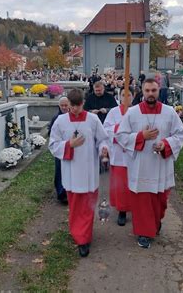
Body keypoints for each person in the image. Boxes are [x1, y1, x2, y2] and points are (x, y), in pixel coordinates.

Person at [116, 79, 183, 249]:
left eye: (153, 90)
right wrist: (141, 136)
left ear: (158, 90)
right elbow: (121, 135)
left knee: (159, 201)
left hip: (161, 165)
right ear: (142, 91)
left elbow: (180, 134)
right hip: (140, 165)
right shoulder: (132, 113)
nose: (150, 94)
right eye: (147, 90)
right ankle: (144, 233)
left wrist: (165, 144)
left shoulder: (169, 112)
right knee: (142, 201)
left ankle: (155, 222)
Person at [49, 89, 109, 257]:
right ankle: (79, 236)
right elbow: (53, 144)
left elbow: (103, 139)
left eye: (77, 106)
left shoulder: (93, 120)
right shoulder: (61, 121)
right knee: (76, 207)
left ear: (83, 103)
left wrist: (104, 149)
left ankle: (85, 237)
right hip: (71, 171)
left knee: (88, 206)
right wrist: (69, 145)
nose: (73, 109)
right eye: (71, 106)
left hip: (89, 171)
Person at [104, 88, 133, 226]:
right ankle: (122, 211)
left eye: (128, 95)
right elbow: (106, 129)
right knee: (121, 184)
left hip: (133, 153)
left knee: (134, 183)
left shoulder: (137, 111)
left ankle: (135, 208)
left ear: (133, 97)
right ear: (119, 96)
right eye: (123, 95)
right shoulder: (113, 112)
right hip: (119, 154)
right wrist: (118, 128)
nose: (126, 97)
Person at [48, 97, 70, 204]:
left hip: (70, 148)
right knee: (60, 171)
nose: (64, 108)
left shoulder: (72, 117)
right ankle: (61, 193)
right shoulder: (56, 118)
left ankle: (69, 191)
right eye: (62, 106)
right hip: (60, 148)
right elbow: (51, 134)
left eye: (66, 105)